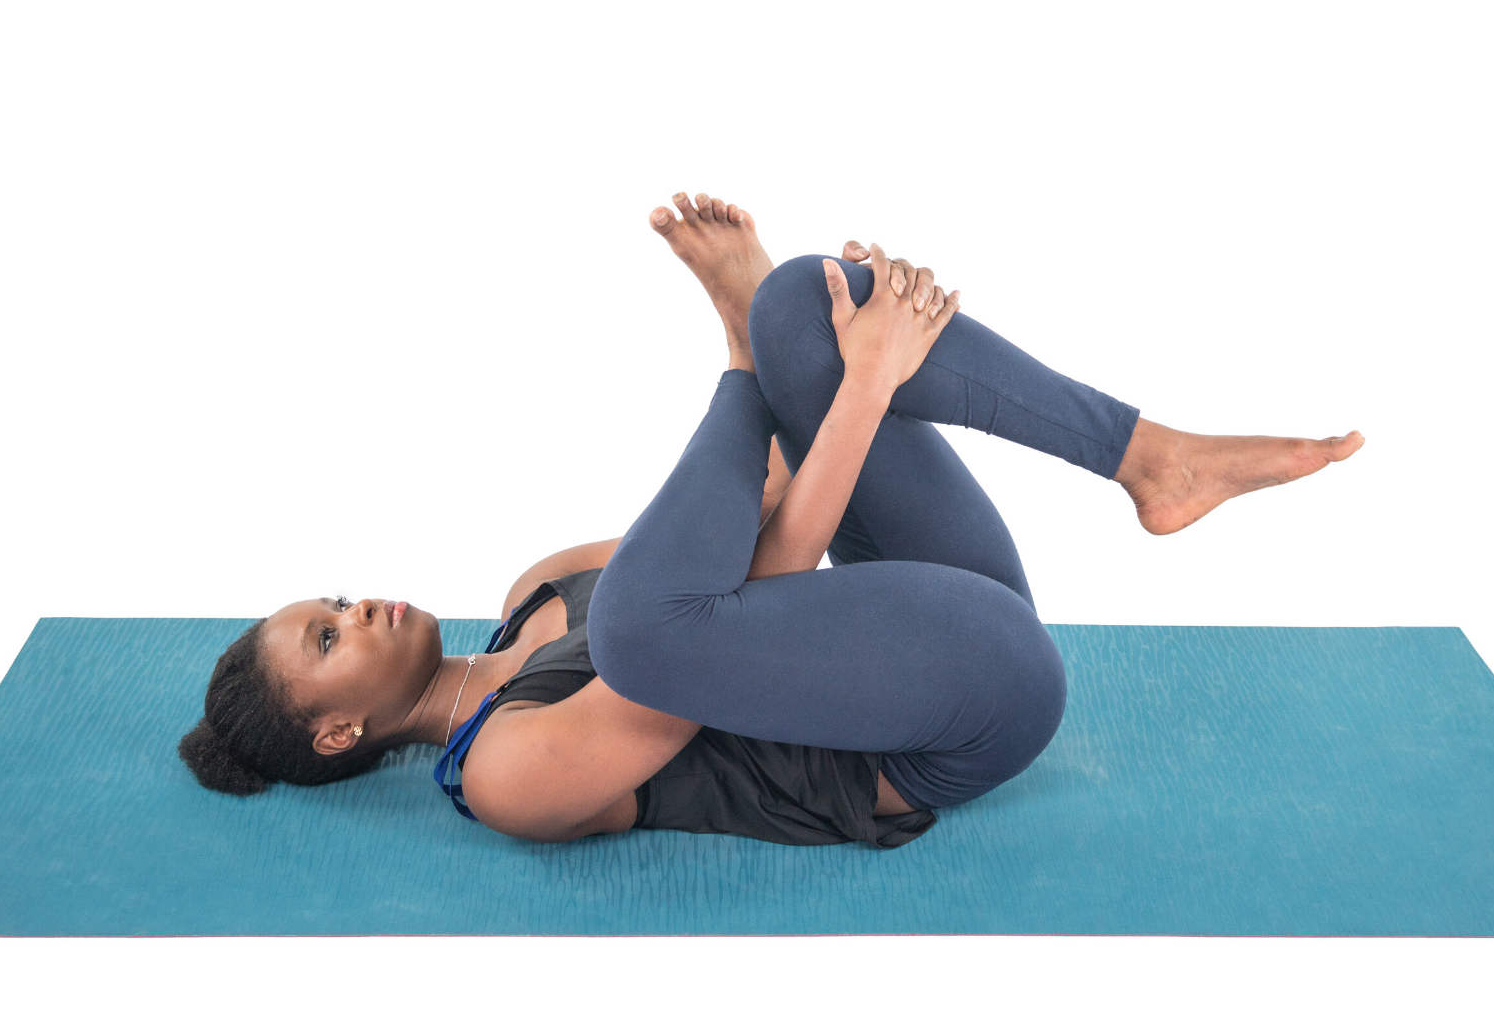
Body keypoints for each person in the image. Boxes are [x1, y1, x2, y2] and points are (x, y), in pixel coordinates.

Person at [178, 193, 1363, 848]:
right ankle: (743, 345)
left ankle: (1147, 457)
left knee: (808, 295)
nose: (356, 608)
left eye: (326, 601)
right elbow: (773, 588)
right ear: (339, 736)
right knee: (648, 622)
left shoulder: (540, 585)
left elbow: (785, 511)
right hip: (962, 709)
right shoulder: (506, 774)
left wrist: (839, 359)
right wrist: (863, 385)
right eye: (328, 639)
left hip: (933, 606)